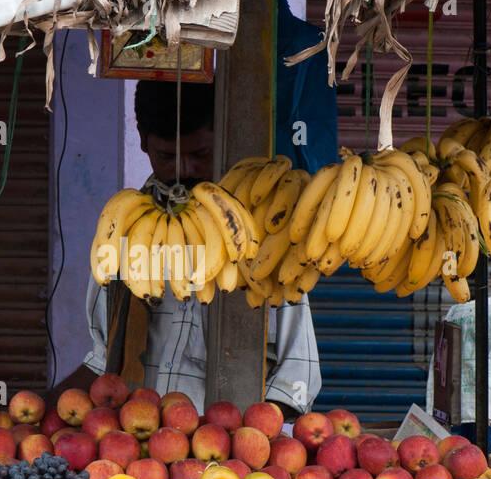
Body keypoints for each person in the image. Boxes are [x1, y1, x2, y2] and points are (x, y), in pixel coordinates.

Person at [53, 80, 321, 417]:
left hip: (229, 460)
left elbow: (297, 380)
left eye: (200, 155)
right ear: (142, 138)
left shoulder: (262, 239)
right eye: (166, 156)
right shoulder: (121, 230)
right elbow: (104, 359)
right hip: (132, 452)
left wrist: (245, 438)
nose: (183, 170)